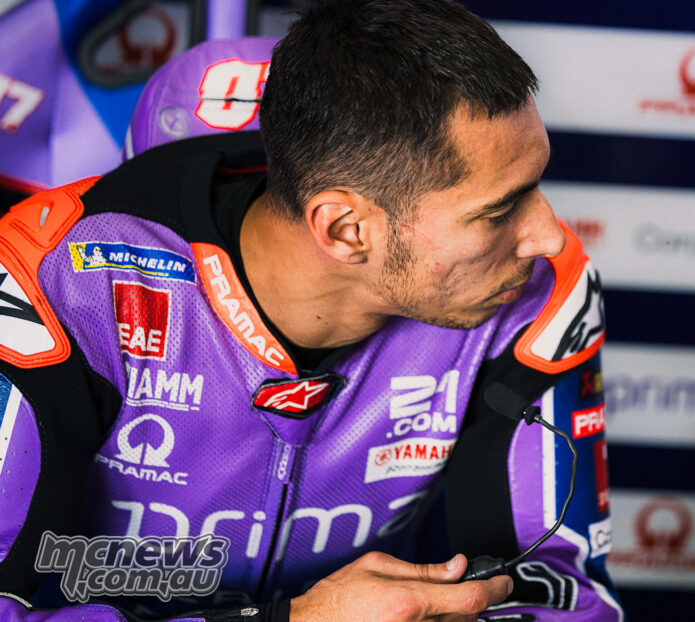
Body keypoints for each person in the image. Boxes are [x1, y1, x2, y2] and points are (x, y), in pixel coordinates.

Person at [0, 1, 622, 620]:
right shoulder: (52, 284)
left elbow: (569, 600)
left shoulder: (536, 291)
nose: (549, 235)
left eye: (537, 186)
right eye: (499, 209)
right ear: (347, 229)